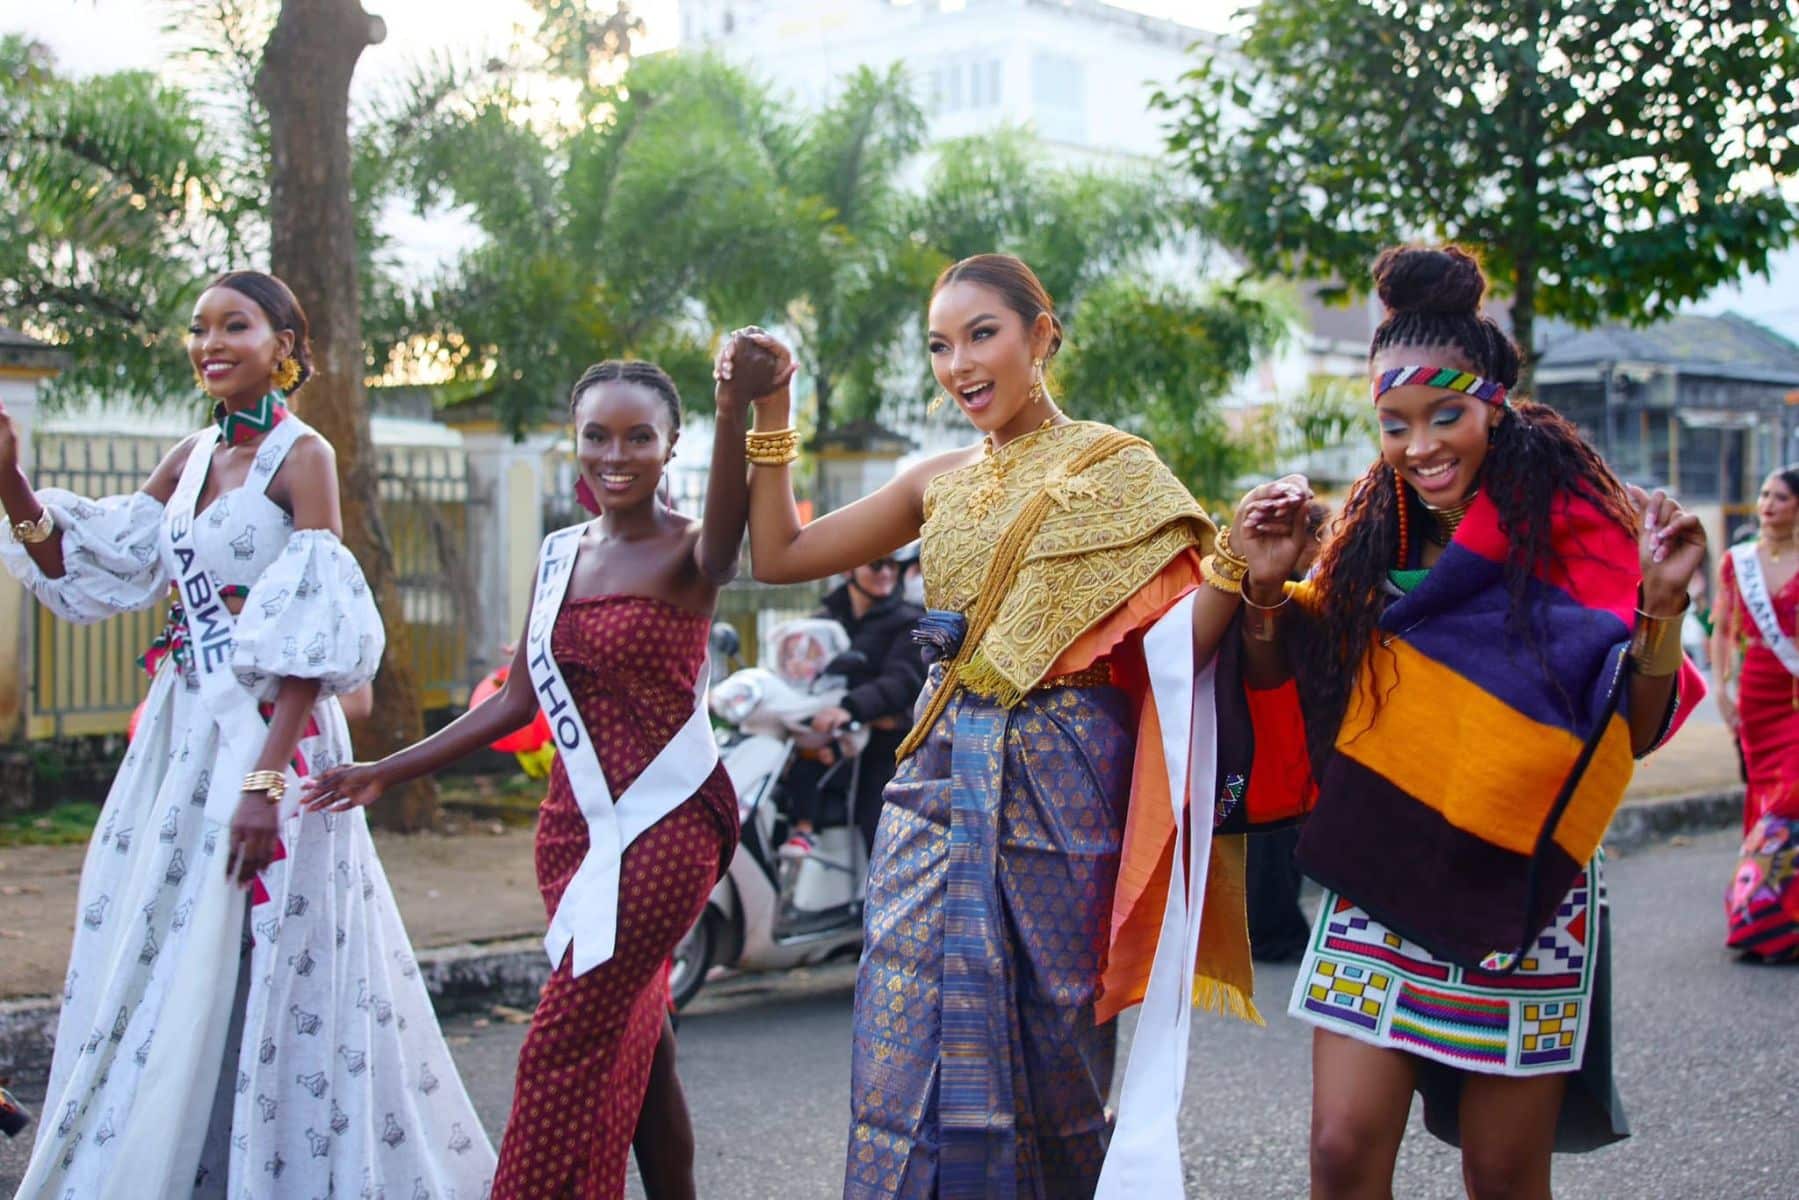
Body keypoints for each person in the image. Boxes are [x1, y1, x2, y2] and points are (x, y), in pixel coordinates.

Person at [715, 254, 1310, 1198]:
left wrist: (1241, 568)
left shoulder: (1121, 472)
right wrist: (775, 409)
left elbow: (1172, 650)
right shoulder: (933, 482)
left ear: (1041, 335)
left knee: (1057, 1042)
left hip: (1066, 785)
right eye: (940, 347)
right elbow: (780, 554)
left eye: (981, 334)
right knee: (901, 1042)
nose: (959, 366)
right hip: (935, 785)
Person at [0, 271, 495, 1197]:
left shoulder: (302, 457)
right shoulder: (190, 456)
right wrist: (11, 480)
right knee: (170, 936)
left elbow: (312, 638)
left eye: (236, 325)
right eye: (198, 327)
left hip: (276, 738)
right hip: (184, 736)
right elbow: (93, 567)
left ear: (285, 346)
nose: (210, 342)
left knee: (265, 944)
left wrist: (267, 784)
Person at [1236, 245, 1707, 1199]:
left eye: (1444, 414)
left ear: (1493, 401)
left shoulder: (1584, 538)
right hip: (1383, 870)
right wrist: (1262, 586)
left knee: (1500, 1174)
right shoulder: (1366, 548)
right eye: (1394, 424)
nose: (1420, 447)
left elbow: (1636, 726)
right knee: (1339, 1148)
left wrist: (1659, 606)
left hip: (1523, 887)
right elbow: (1288, 689)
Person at [304, 349, 783, 1199]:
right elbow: (518, 700)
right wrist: (389, 770)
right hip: (573, 828)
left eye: (640, 437)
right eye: (597, 435)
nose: (615, 455)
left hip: (665, 825)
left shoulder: (688, 553)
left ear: (672, 446)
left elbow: (722, 550)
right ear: (575, 441)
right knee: (641, 1034)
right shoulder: (560, 554)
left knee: (562, 1043)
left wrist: (732, 400)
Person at [780, 551, 926, 857]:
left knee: (880, 819)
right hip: (821, 732)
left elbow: (901, 681)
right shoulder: (824, 621)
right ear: (848, 570)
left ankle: (885, 895)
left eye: (892, 565)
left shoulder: (910, 620)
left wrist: (849, 708)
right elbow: (798, 667)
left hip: (885, 744)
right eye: (875, 563)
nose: (886, 572)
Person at [1713, 466, 1799, 961]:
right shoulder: (1737, 562)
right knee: (1764, 801)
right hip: (1758, 695)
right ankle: (1771, 918)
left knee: (1788, 798)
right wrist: (1722, 688)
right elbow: (1724, 630)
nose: (1767, 504)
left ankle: (1759, 913)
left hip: (1795, 697)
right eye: (1764, 494)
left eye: (1780, 497)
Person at [1246, 499, 1332, 963]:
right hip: (1279, 736)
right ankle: (1272, 930)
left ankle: (1268, 926)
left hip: (1277, 736)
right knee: (1273, 836)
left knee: (1272, 835)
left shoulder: (1298, 587)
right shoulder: (1285, 588)